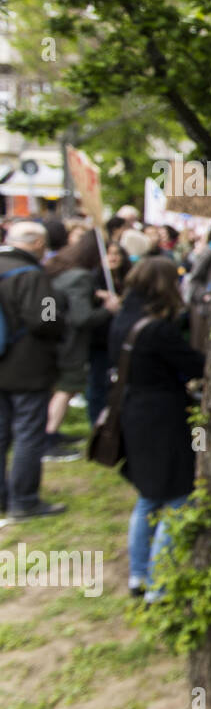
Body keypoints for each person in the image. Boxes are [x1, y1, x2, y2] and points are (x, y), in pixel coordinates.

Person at [109, 257, 204, 600]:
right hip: (163, 416)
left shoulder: (122, 319)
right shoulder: (157, 329)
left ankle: (139, 576)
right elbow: (195, 364)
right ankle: (159, 585)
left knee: (148, 497)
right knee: (178, 496)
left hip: (134, 411)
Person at [0, 222, 66, 519]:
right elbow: (46, 319)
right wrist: (58, 315)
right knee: (28, 433)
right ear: (38, 243)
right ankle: (24, 500)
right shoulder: (33, 275)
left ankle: (4, 496)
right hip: (26, 367)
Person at [43, 231, 123, 461]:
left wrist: (94, 296)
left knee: (59, 389)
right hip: (70, 342)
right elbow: (82, 318)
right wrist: (108, 309)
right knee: (65, 389)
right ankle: (48, 439)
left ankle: (50, 433)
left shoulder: (59, 268)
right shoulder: (80, 276)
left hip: (53, 336)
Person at [87, 240, 128, 426]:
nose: (113, 257)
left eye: (117, 253)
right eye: (109, 253)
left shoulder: (128, 278)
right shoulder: (93, 279)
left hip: (121, 336)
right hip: (100, 338)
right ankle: (96, 420)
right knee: (98, 380)